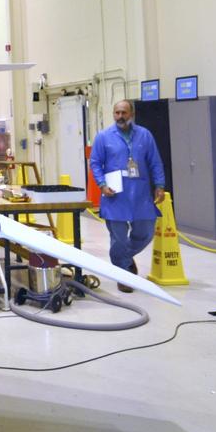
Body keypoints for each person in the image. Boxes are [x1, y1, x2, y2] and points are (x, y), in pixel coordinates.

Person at [89, 99, 166, 293]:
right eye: (117, 113)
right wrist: (102, 184)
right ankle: (123, 273)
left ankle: (123, 258)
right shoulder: (104, 137)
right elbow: (95, 163)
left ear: (131, 114)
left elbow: (155, 162)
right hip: (115, 194)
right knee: (119, 239)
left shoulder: (145, 135)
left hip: (140, 193)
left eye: (124, 112)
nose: (120, 116)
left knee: (146, 233)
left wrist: (159, 185)